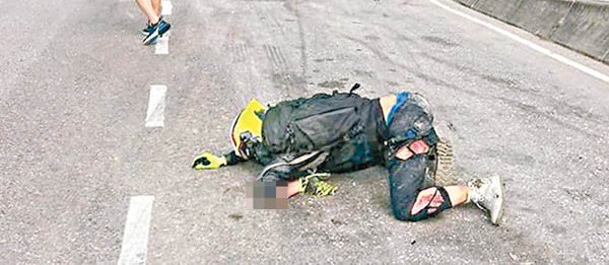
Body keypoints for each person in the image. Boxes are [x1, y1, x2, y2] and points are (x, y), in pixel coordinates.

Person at [192, 86, 504, 224]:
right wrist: (226, 159)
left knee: (407, 208)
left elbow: (262, 195)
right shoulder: (287, 118)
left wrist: (301, 186)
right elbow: (259, 147)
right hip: (399, 111)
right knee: (377, 156)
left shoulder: (284, 150)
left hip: (400, 134)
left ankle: (477, 190)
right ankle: (425, 147)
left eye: (245, 147)